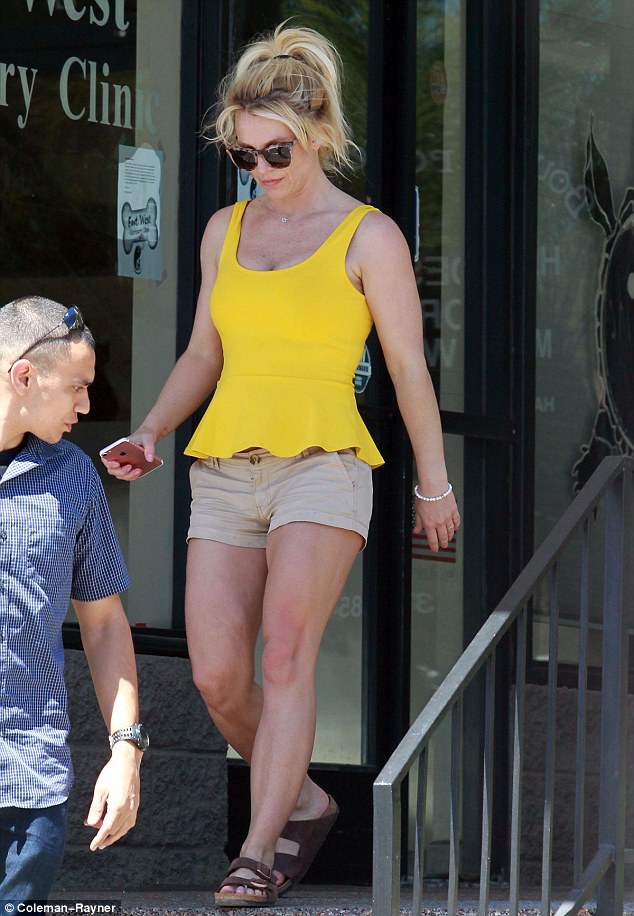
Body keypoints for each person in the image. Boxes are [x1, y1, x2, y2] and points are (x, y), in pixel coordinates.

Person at [102, 22, 460, 908]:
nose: (258, 167)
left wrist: (433, 482)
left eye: (275, 151)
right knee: (218, 676)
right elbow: (203, 353)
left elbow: (408, 369)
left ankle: (259, 850)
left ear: (320, 133)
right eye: (242, 152)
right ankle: (302, 796)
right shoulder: (223, 231)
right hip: (225, 468)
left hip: (323, 466)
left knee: (290, 653)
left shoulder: (369, 236)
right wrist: (151, 429)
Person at [0, 295, 148, 904]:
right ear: (24, 376)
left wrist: (126, 752)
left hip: (29, 786)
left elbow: (105, 623)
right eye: (77, 387)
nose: (88, 405)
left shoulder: (74, 476)